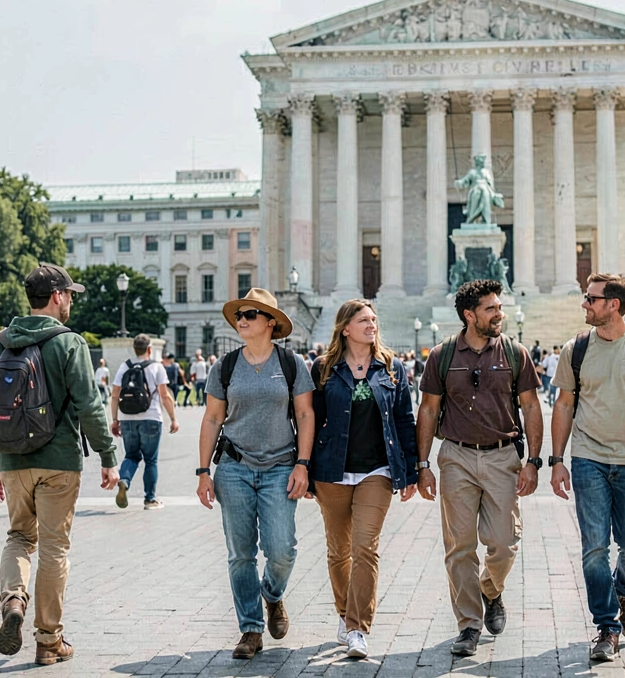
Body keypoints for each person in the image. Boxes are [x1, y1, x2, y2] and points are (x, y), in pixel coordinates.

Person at [0, 264, 119, 665]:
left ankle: (13, 599)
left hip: (11, 459)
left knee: (19, 537)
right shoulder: (70, 343)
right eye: (69, 294)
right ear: (56, 296)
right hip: (59, 462)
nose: (71, 300)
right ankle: (49, 640)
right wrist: (108, 457)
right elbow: (89, 406)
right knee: (54, 548)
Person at [550, 273, 625, 663]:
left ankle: (624, 590)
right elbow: (564, 404)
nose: (584, 304)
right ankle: (607, 626)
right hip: (588, 457)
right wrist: (557, 460)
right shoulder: (575, 348)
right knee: (594, 547)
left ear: (613, 305)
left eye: (591, 298)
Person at [416, 280, 543, 657]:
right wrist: (423, 464)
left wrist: (534, 461)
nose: (500, 313)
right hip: (456, 456)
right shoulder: (442, 355)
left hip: (503, 456)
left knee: (505, 541)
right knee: (460, 546)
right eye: (491, 309)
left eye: (499, 307)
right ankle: (469, 624)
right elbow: (428, 409)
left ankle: (490, 589)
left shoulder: (515, 353)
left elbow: (531, 406)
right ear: (470, 315)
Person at [197, 288, 315, 660]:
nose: (242, 320)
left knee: (282, 550)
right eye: (239, 315)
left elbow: (305, 415)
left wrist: (303, 464)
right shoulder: (225, 366)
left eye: (250, 314)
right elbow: (212, 418)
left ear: (270, 322)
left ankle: (272, 595)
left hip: (281, 467)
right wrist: (203, 471)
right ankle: (250, 628)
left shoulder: (292, 363)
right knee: (240, 553)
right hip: (234, 468)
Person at [310, 300, 419, 659]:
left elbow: (404, 420)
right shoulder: (324, 368)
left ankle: (357, 628)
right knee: (339, 551)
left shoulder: (391, 367)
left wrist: (411, 471)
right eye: (363, 320)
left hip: (377, 470)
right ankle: (345, 614)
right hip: (332, 471)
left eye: (373, 319)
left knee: (365, 548)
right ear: (345, 328)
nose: (372, 325)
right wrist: (305, 470)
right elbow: (310, 420)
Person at [110, 334, 178, 510]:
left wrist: (115, 420)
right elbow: (164, 395)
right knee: (150, 460)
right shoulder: (156, 367)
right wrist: (173, 418)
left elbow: (115, 395)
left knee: (131, 456)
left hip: (127, 418)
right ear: (149, 349)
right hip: (151, 417)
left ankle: (124, 480)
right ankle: (150, 499)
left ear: (134, 349)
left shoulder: (125, 366)